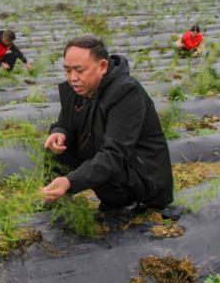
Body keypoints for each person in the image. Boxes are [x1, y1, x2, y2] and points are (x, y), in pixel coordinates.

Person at [42, 36, 173, 225]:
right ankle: (55, 198)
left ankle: (125, 205)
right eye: (67, 70)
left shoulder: (126, 92)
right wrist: (59, 131)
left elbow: (115, 154)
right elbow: (66, 122)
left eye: (79, 70)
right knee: (56, 145)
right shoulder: (77, 89)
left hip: (142, 177)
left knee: (101, 160)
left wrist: (70, 181)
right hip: (107, 156)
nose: (72, 78)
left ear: (102, 66)